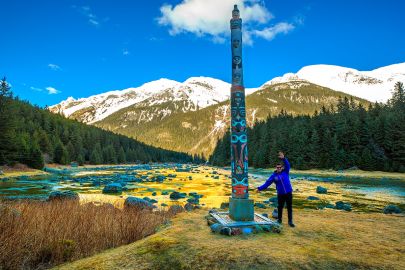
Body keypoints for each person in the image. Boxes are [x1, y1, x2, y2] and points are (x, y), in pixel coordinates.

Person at [257, 151, 295, 227]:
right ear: (276, 168)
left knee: (289, 207)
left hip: (288, 193)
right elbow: (267, 183)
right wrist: (259, 188)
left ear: (282, 168)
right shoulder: (273, 176)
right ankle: (279, 219)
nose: (278, 168)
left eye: (280, 167)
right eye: (277, 167)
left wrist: (284, 158)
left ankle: (290, 221)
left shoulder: (286, 172)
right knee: (280, 207)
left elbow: (288, 165)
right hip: (280, 194)